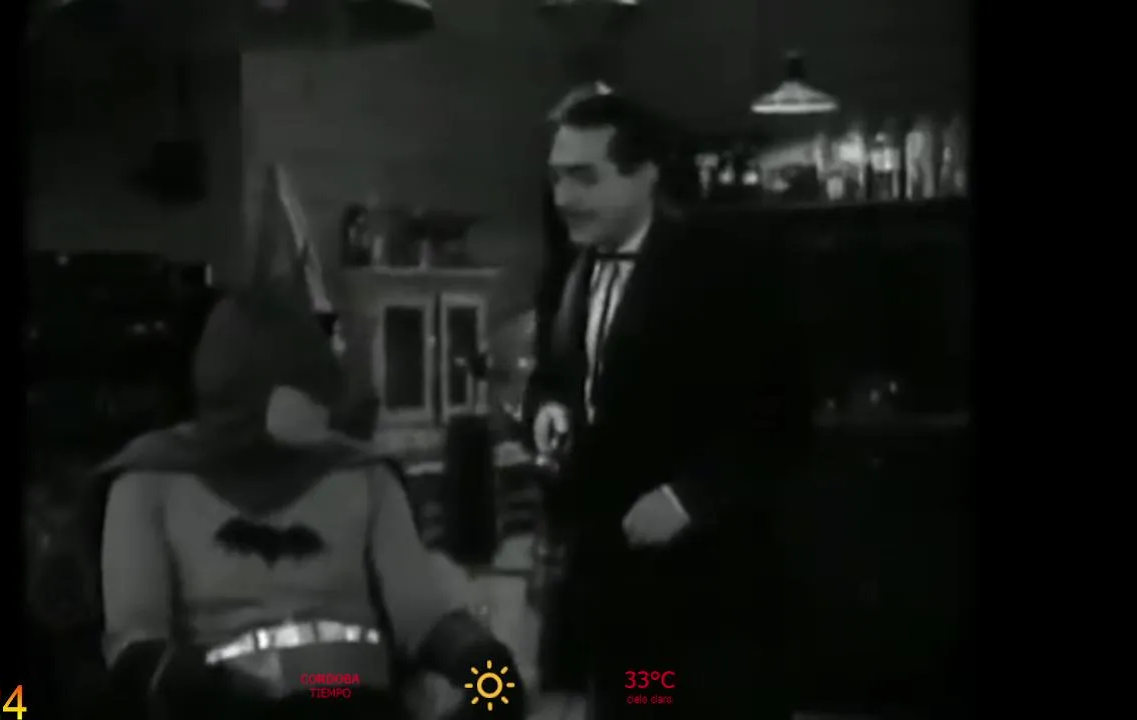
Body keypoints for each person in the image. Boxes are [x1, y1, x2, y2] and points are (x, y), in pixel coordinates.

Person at [90, 274, 528, 720]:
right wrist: (208, 688)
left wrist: (487, 672)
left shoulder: (364, 475)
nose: (327, 396)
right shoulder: (150, 480)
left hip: (346, 697)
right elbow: (135, 643)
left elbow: (423, 615)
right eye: (307, 381)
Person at [524, 94, 813, 720]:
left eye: (584, 177)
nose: (564, 197)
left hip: (709, 591)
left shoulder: (723, 270)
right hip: (614, 595)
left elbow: (783, 416)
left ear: (646, 174)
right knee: (637, 703)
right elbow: (553, 379)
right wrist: (546, 411)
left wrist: (689, 500)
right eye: (556, 177)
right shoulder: (566, 274)